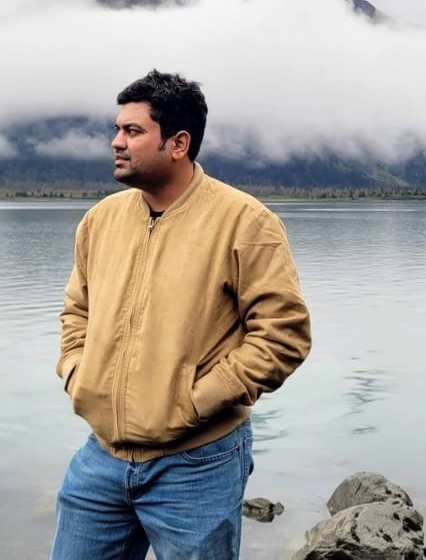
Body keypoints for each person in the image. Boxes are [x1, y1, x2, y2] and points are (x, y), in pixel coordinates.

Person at [51, 70, 312, 559]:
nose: (116, 142)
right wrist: (77, 375)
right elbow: (76, 312)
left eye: (133, 131)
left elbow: (283, 336)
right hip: (102, 458)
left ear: (178, 144)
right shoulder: (100, 221)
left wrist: (196, 401)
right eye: (117, 129)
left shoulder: (245, 222)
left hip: (197, 464)